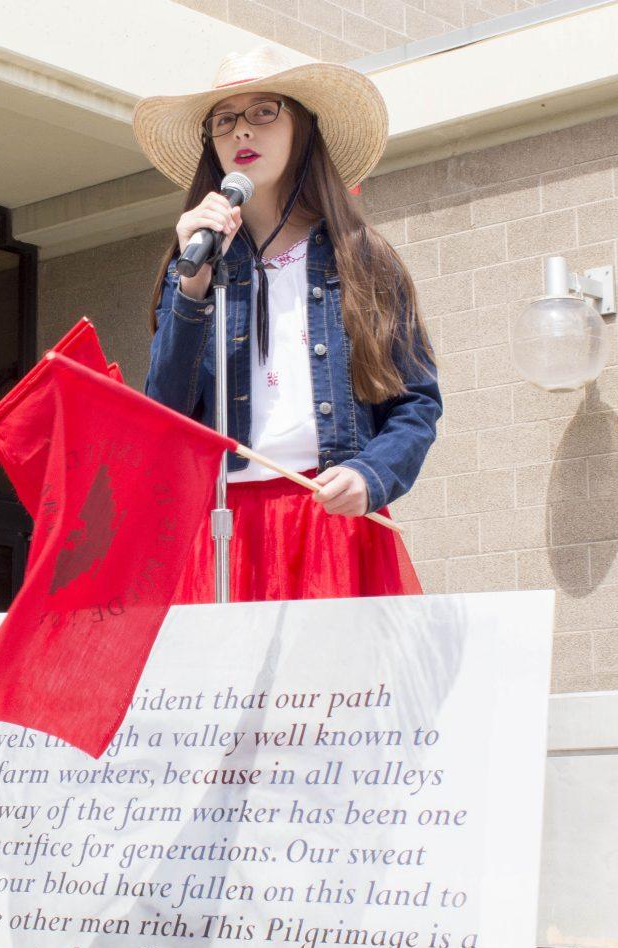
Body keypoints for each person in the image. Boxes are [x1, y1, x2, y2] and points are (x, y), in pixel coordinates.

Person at [134, 47, 440, 602]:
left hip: (332, 518)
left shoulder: (362, 257)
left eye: (264, 111)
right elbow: (166, 412)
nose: (240, 131)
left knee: (341, 688)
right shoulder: (193, 264)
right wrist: (193, 287)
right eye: (223, 120)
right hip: (223, 523)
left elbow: (416, 403)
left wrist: (372, 475)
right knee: (226, 689)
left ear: (304, 127)